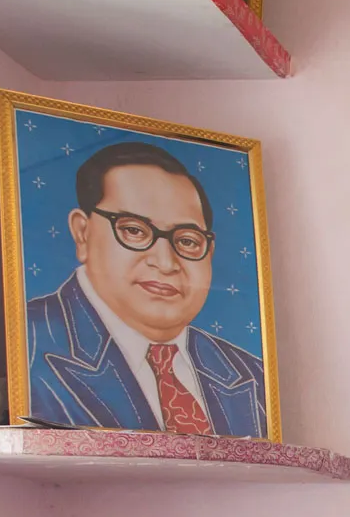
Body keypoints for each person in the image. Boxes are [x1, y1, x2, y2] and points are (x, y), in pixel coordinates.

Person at [24, 141, 267, 436]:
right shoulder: (28, 345)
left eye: (188, 240)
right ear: (82, 233)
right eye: (135, 230)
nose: (166, 263)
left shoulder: (254, 375)